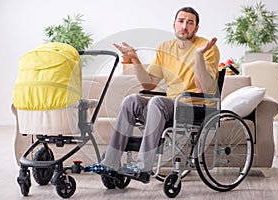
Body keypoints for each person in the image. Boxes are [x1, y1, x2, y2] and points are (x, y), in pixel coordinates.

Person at [84, 6, 220, 183]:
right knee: (131, 100)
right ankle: (110, 163)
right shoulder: (166, 48)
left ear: (196, 28)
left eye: (190, 22)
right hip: (172, 107)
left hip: (197, 107)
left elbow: (205, 88)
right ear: (174, 24)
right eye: (181, 21)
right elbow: (148, 83)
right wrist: (134, 58)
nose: (184, 26)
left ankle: (143, 168)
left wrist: (199, 56)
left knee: (157, 101)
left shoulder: (206, 47)